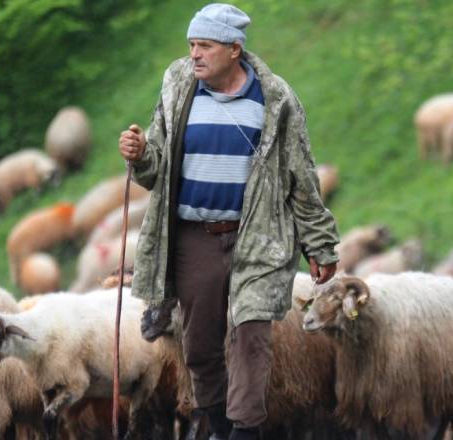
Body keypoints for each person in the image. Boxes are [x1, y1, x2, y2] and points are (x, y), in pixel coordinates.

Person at [118, 3, 339, 440]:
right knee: (199, 348)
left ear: (234, 49)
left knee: (251, 335)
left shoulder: (276, 99)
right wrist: (141, 155)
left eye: (205, 46)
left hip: (255, 236)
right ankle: (218, 423)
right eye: (191, 45)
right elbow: (157, 167)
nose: (194, 54)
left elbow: (301, 175)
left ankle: (244, 431)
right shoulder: (179, 85)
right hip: (193, 237)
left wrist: (320, 244)